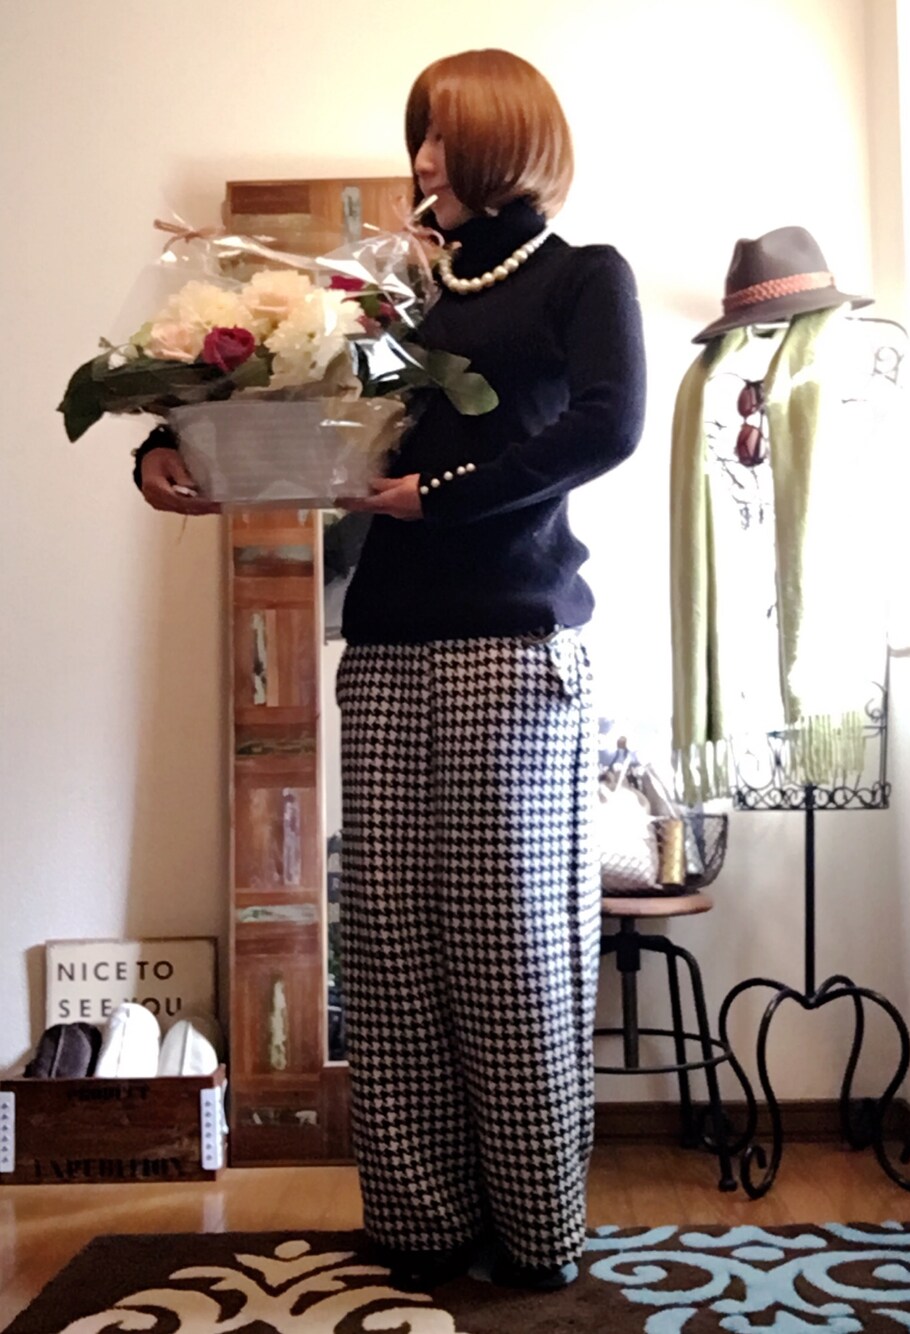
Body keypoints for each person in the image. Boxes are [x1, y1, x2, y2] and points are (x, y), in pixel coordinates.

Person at [136, 48, 646, 1292]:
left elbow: (610, 421)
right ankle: (419, 1221)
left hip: (510, 649)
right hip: (385, 651)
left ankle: (535, 1233)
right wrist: (166, 444)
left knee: (506, 946)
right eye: (419, 136)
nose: (421, 161)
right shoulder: (393, 293)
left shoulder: (583, 275)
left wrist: (446, 490)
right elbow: (274, 389)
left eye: (446, 141)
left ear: (510, 145)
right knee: (390, 946)